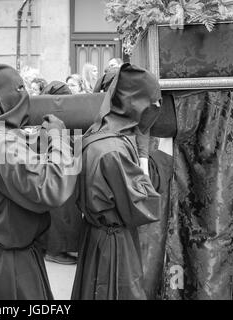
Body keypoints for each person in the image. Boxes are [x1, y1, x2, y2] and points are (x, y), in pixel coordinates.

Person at [0, 63, 78, 299]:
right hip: (6, 269)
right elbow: (52, 187)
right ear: (1, 97)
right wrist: (60, 138)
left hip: (2, 258)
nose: (25, 95)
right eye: (20, 87)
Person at [71, 63, 165, 300]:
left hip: (97, 237)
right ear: (135, 103)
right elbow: (143, 206)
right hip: (114, 245)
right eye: (151, 102)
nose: (156, 107)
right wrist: (152, 166)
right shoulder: (114, 149)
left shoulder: (96, 134)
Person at [39, 81, 82, 265]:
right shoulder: (51, 120)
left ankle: (57, 248)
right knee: (61, 212)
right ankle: (55, 250)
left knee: (64, 211)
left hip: (61, 167)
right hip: (57, 168)